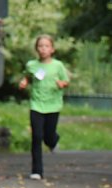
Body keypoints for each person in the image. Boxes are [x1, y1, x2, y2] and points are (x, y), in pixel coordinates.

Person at [18, 34, 69, 180]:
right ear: (36, 49)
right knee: (37, 136)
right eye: (40, 46)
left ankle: (53, 141)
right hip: (36, 104)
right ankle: (37, 171)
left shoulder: (58, 66)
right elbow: (27, 76)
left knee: (48, 135)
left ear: (52, 49)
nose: (43, 49)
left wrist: (62, 84)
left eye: (46, 46)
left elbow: (66, 81)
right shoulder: (32, 65)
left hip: (53, 105)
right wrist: (24, 82)